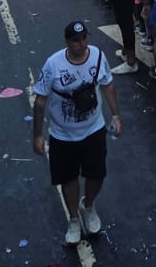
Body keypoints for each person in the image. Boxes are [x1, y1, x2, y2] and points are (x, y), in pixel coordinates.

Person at [32, 19, 121, 246]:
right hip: (63, 135)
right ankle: (73, 219)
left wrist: (115, 115)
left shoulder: (97, 56)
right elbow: (40, 102)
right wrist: (38, 135)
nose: (82, 45)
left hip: (94, 129)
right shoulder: (53, 65)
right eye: (76, 41)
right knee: (68, 178)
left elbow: (108, 85)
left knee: (96, 174)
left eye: (84, 39)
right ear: (67, 42)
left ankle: (88, 205)